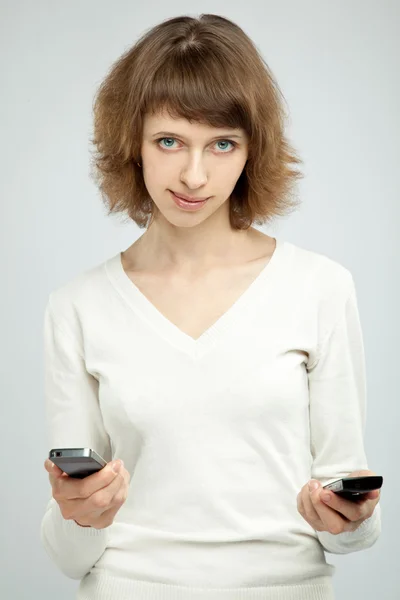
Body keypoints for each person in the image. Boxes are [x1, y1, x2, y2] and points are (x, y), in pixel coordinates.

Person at [40, 13, 381, 600]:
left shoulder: (320, 287)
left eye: (222, 144)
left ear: (252, 151)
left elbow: (351, 524)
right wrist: (77, 515)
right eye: (169, 141)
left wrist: (349, 518)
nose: (194, 176)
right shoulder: (78, 306)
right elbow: (71, 556)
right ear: (133, 143)